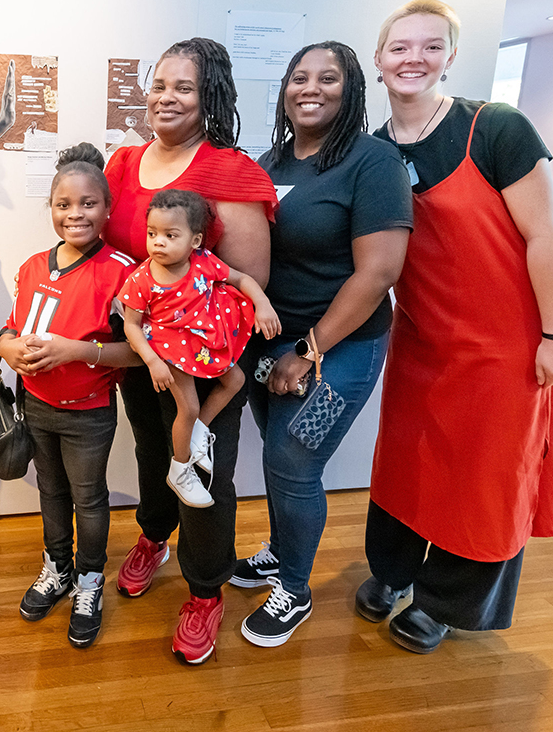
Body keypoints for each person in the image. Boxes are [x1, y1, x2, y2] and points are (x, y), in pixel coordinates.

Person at [361, 0, 553, 654]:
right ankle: (395, 572)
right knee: (408, 463)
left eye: (431, 47)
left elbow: (544, 236)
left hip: (505, 347)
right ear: (379, 60)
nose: (414, 59)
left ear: (450, 57)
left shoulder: (496, 128)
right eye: (400, 47)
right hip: (421, 339)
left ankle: (445, 602)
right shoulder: (372, 153)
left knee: (483, 479)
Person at [228, 41, 411, 648]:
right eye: (299, 77)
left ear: (351, 88)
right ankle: (281, 555)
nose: (311, 88)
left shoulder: (373, 162)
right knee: (277, 457)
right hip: (269, 342)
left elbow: (378, 272)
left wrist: (308, 350)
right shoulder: (271, 160)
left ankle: (296, 590)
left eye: (328, 78)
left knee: (294, 461)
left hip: (341, 344)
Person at [102, 37, 278, 665]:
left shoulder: (231, 172)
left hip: (203, 363)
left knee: (205, 471)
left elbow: (247, 278)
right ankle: (155, 534)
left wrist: (197, 363)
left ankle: (206, 589)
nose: (166, 97)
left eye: (184, 87)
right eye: (159, 84)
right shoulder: (121, 164)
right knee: (153, 450)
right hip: (139, 350)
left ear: (210, 99)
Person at [0, 143, 138, 648]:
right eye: (63, 204)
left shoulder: (122, 272)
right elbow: (13, 327)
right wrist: (7, 346)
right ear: (51, 208)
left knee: (88, 498)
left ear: (106, 208)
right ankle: (56, 567)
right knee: (50, 492)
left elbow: (137, 352)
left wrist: (74, 351)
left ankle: (88, 580)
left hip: (88, 414)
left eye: (87, 204)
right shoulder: (35, 265)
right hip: (36, 405)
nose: (75, 214)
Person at [121, 189, 280, 508]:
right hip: (170, 349)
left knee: (235, 381)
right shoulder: (142, 279)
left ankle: (198, 432)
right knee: (188, 407)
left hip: (205, 343)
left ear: (195, 240)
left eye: (170, 235)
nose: (158, 242)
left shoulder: (203, 262)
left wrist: (262, 304)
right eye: (152, 233)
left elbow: (241, 279)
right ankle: (179, 470)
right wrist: (152, 361)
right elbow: (131, 325)